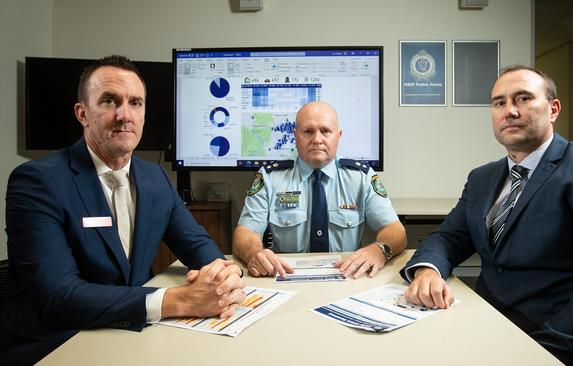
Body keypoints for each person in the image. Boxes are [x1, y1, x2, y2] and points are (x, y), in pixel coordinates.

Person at [0, 55, 246, 365]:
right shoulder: (37, 181)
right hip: (58, 342)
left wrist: (225, 275)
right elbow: (57, 297)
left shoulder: (155, 178)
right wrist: (177, 300)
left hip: (133, 337)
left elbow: (197, 244)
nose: (124, 115)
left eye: (136, 103)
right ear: (82, 113)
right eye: (109, 101)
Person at [401, 65, 573, 365]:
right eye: (499, 102)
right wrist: (429, 271)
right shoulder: (482, 178)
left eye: (523, 99)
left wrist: (523, 354)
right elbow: (448, 237)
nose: (510, 111)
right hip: (490, 330)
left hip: (570, 348)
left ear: (553, 109)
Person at [234, 101, 406, 279]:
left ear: (338, 136)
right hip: (286, 277)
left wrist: (380, 250)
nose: (317, 139)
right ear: (295, 136)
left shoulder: (360, 177)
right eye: (308, 131)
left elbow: (395, 230)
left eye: (325, 131)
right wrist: (254, 253)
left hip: (347, 276)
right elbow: (246, 232)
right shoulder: (271, 177)